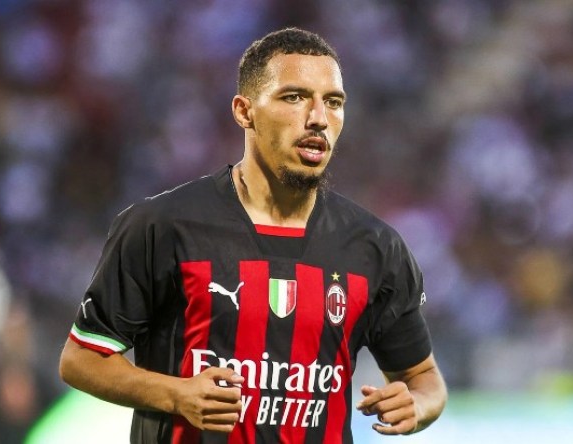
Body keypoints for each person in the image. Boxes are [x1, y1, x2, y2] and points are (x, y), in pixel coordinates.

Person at [59, 27, 447, 443]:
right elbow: (81, 358)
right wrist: (175, 394)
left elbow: (424, 379)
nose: (318, 117)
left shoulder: (375, 248)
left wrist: (416, 405)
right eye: (294, 97)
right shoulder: (162, 227)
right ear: (245, 112)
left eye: (333, 102)